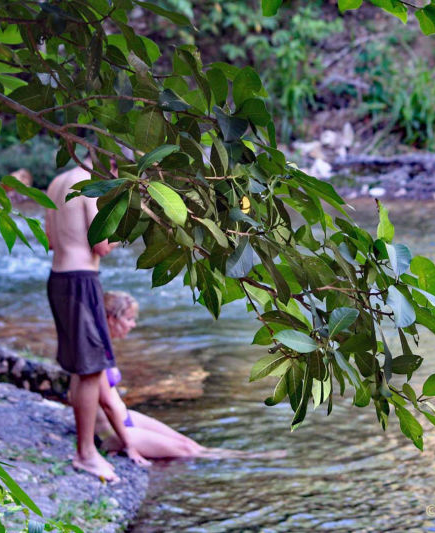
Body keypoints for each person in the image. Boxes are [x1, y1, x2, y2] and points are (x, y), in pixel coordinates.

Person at [45, 160, 149, 483]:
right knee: (91, 370)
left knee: (82, 367)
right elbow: (101, 246)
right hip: (82, 281)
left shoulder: (57, 182)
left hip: (58, 278)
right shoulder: (91, 185)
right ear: (110, 165)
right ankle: (85, 454)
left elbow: (51, 240)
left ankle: (85, 448)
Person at [89, 290, 283, 460]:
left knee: (188, 443)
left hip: (125, 418)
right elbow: (106, 404)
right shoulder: (95, 351)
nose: (133, 325)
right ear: (111, 319)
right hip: (111, 432)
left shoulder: (105, 346)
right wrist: (129, 446)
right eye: (129, 319)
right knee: (186, 451)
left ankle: (247, 457)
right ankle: (253, 459)